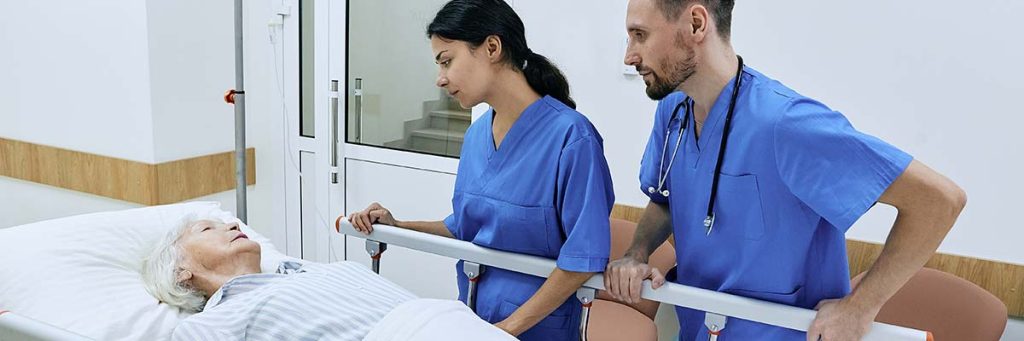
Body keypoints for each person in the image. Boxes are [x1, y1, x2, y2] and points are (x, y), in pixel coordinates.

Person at [604, 1, 967, 340]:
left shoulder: (785, 124)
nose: (629, 55)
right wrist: (637, 251)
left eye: (640, 35)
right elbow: (669, 196)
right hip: (703, 328)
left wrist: (861, 306)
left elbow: (939, 201)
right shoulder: (674, 113)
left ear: (696, 24)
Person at [347, 0, 615, 339]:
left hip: (538, 329)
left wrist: (503, 332)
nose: (440, 79)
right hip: (472, 317)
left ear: (492, 47)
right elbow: (468, 227)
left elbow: (584, 257)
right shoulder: (476, 136)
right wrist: (397, 225)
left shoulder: (572, 138)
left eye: (447, 61)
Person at [141, 215, 416, 340]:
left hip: (444, 317)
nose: (233, 224)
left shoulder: (298, 271)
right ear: (181, 271)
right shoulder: (214, 322)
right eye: (206, 229)